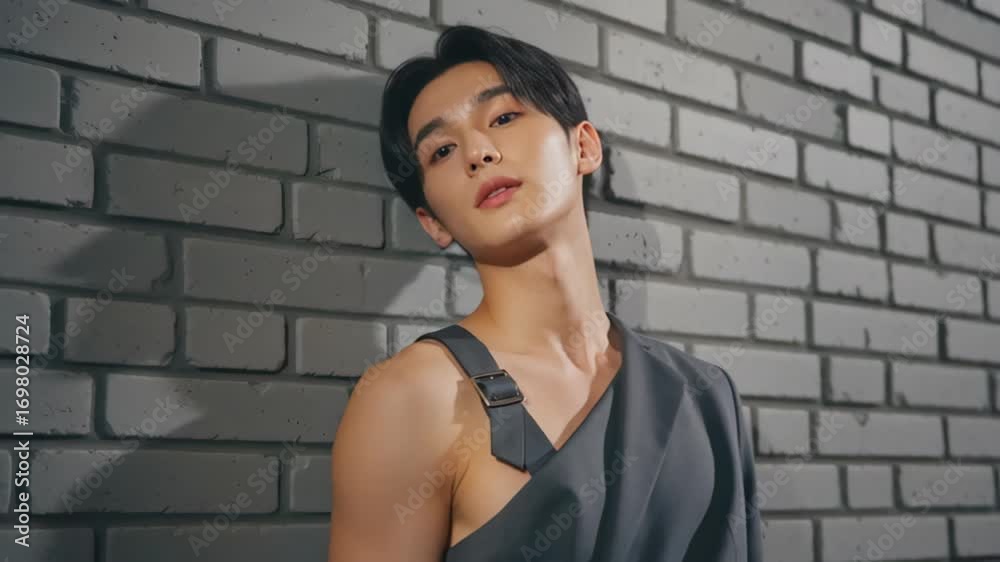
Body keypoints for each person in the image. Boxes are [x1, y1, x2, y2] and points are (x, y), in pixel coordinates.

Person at [327, 24, 762, 561]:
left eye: (503, 118)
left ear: (584, 146)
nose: (477, 152)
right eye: (442, 150)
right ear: (432, 221)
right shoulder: (409, 398)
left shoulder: (705, 394)